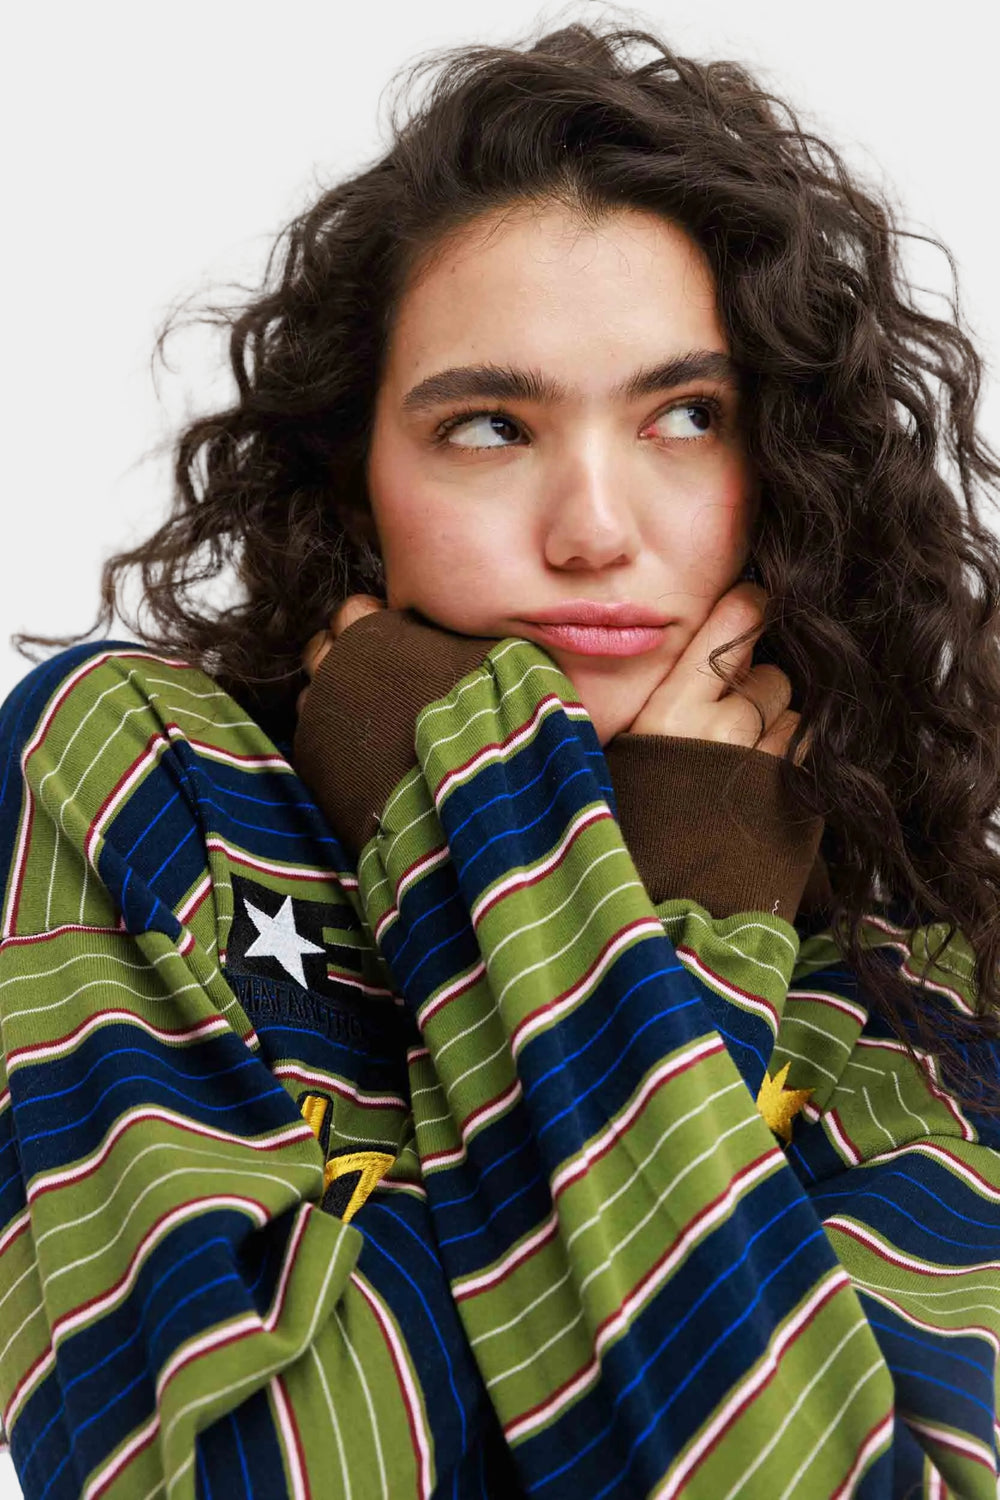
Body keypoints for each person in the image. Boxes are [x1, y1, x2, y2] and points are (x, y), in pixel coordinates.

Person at [3, 17, 1000, 1498]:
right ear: (360, 480)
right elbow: (239, 1475)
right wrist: (635, 890)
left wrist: (522, 844)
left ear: (795, 464)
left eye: (686, 416)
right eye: (488, 426)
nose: (593, 529)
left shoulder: (928, 970)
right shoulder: (145, 782)